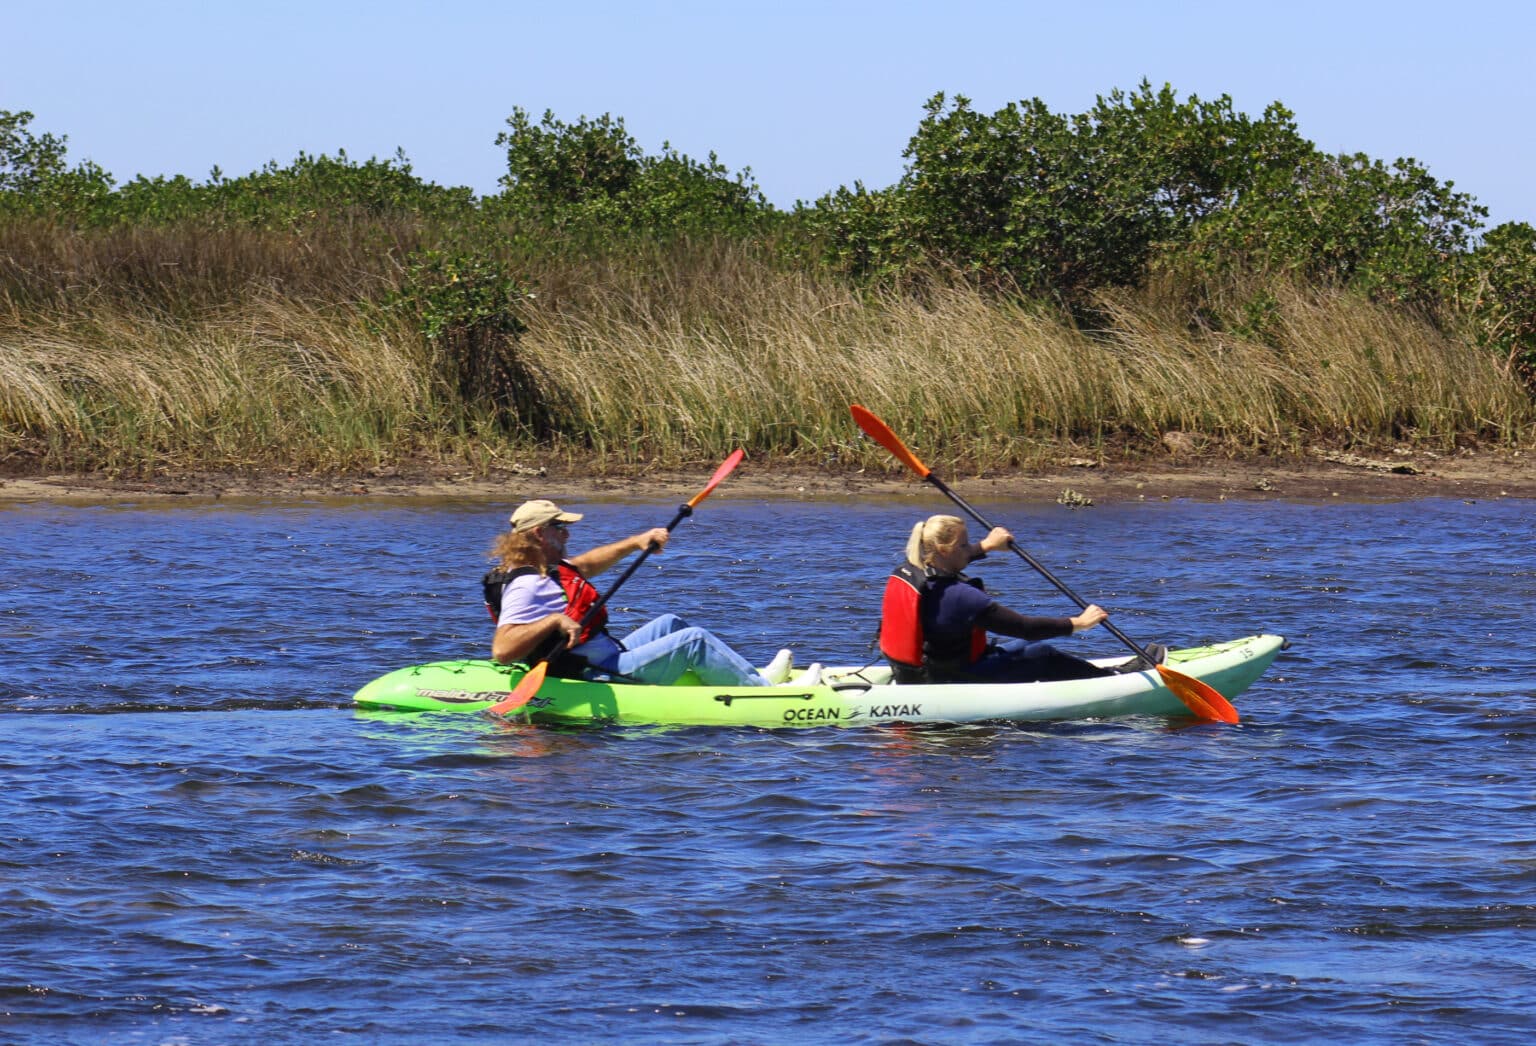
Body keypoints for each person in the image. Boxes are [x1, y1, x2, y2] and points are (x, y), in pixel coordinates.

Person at [485, 498, 818, 687]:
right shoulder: (528, 585)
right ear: (541, 534)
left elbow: (585, 565)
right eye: (561, 528)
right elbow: (503, 649)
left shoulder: (552, 569)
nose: (568, 535)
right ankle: (765, 692)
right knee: (694, 640)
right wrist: (555, 620)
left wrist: (635, 542)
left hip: (602, 653)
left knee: (671, 622)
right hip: (596, 670)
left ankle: (748, 674)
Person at [878, 514, 1165, 685]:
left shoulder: (912, 569)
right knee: (1041, 652)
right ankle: (1113, 680)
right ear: (942, 550)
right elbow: (1024, 627)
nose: (970, 548)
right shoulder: (961, 597)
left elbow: (952, 563)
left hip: (924, 670)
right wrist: (1078, 623)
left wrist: (986, 546)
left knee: (1027, 648)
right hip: (958, 678)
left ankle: (1104, 672)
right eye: (964, 545)